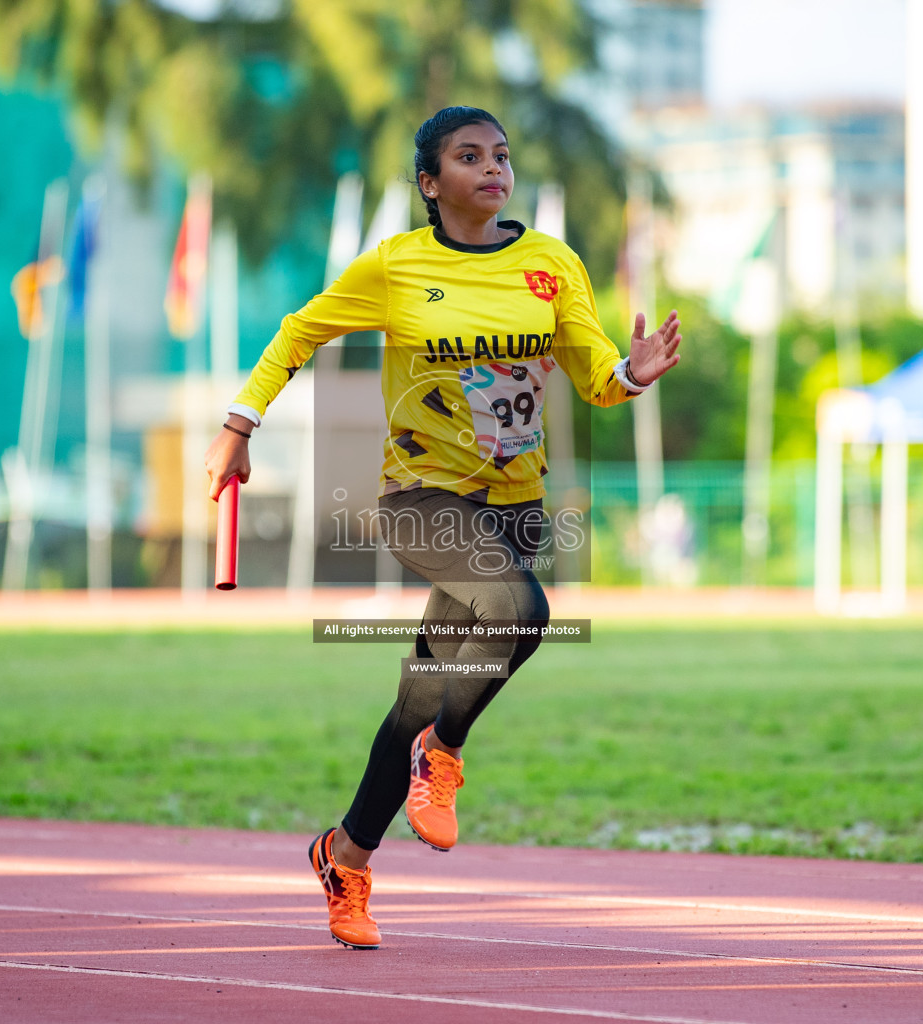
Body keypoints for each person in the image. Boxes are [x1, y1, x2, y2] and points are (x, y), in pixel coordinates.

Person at [204, 106, 682, 950]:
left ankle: (343, 855)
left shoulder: (550, 263)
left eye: (501, 155)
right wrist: (240, 427)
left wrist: (629, 376)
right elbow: (299, 331)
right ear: (431, 183)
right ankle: (446, 752)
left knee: (418, 694)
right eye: (469, 157)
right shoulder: (397, 265)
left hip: (517, 507)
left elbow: (593, 375)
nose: (493, 168)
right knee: (522, 613)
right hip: (421, 498)